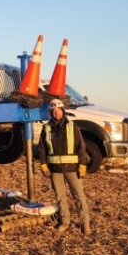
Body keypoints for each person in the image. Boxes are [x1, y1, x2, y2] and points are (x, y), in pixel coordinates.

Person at [38, 98, 91, 235]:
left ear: (63, 111)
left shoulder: (73, 127)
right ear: (51, 113)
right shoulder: (46, 128)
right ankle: (65, 222)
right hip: (55, 170)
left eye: (58, 110)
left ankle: (85, 224)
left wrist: (82, 165)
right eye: (53, 111)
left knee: (79, 196)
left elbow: (81, 147)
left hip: (72, 169)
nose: (56, 113)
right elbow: (42, 149)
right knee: (60, 197)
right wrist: (43, 165)